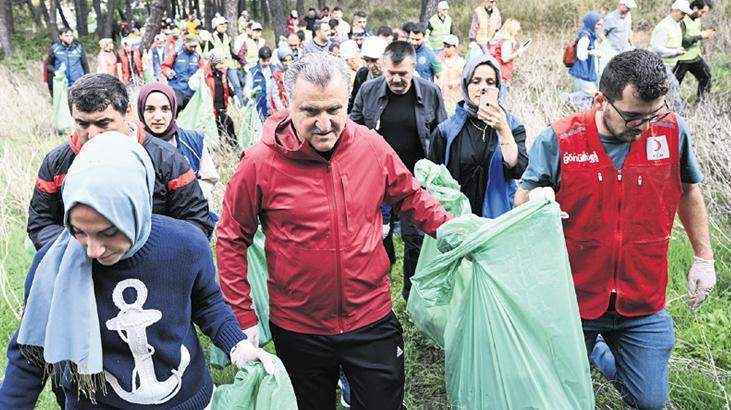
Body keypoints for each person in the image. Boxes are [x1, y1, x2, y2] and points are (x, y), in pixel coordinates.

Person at [216, 51, 450, 410]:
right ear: (289, 102)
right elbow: (232, 237)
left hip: (370, 317)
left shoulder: (371, 146)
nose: (324, 124)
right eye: (310, 112)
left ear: (348, 103)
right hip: (299, 327)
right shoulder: (260, 164)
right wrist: (243, 316)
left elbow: (410, 196)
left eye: (334, 110)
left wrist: (453, 232)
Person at [0, 133, 272, 408]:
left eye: (108, 232)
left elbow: (209, 304)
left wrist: (238, 346)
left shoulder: (186, 245)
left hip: (186, 402)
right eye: (79, 231)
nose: (93, 250)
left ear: (136, 210)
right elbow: (29, 355)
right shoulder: (53, 265)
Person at [515, 49, 715, 410]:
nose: (647, 126)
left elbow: (688, 189)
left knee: (651, 402)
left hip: (642, 298)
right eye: (635, 117)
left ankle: (603, 354)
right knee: (557, 396)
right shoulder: (561, 139)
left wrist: (704, 257)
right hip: (574, 298)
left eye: (655, 113)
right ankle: (589, 348)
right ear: (600, 100)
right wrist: (536, 199)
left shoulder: (670, 130)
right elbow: (522, 198)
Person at [27, 74, 214, 251]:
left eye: (103, 123)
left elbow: (197, 223)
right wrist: (81, 250)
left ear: (127, 112)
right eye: (82, 124)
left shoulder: (167, 159)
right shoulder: (57, 163)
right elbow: (41, 224)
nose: (92, 135)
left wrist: (147, 252)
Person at [350, 41, 448, 302]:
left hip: (413, 181)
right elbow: (352, 130)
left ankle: (411, 295)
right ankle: (379, 288)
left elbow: (442, 136)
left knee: (414, 238)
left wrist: (439, 177)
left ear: (413, 68)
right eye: (390, 73)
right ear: (383, 68)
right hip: (374, 179)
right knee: (375, 238)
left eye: (402, 74)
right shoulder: (368, 91)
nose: (395, 79)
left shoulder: (430, 93)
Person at [429, 54, 527, 217]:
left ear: (498, 87)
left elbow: (518, 170)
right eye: (476, 81)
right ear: (466, 84)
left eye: (490, 82)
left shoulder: (512, 126)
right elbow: (433, 182)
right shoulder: (446, 131)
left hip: (498, 220)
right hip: (457, 221)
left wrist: (503, 129)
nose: (482, 87)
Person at [137, 83, 220, 201]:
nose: (158, 117)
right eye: (150, 109)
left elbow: (209, 179)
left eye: (165, 109)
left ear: (174, 110)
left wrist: (190, 196)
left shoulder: (193, 141)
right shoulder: (134, 145)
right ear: (141, 111)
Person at [650, 0, 693, 111]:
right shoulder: (664, 26)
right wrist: (675, 52)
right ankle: (680, 115)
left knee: (663, 91)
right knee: (674, 86)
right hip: (660, 63)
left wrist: (677, 49)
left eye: (685, 14)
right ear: (675, 10)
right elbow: (657, 48)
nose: (684, 16)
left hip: (670, 64)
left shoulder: (676, 24)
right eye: (682, 13)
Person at [193, 52, 238, 146]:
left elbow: (227, 87)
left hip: (222, 106)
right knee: (227, 123)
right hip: (212, 108)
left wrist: (234, 96)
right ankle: (232, 146)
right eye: (220, 63)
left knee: (221, 127)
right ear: (214, 64)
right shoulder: (207, 76)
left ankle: (226, 146)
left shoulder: (222, 74)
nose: (223, 66)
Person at [674, 0, 715, 99]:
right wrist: (700, 36)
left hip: (695, 57)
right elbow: (681, 41)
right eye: (702, 12)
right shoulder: (682, 20)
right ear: (695, 8)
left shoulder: (697, 18)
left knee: (706, 77)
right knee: (674, 85)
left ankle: (702, 103)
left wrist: (706, 34)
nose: (703, 15)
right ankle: (672, 107)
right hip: (681, 59)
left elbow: (694, 33)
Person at [564, 12, 604, 110]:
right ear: (591, 23)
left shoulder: (590, 34)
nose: (599, 27)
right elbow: (581, 55)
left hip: (586, 69)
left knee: (587, 96)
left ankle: (583, 111)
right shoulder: (585, 36)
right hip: (583, 69)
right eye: (598, 24)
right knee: (592, 93)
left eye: (601, 25)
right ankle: (569, 98)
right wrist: (593, 52)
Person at [207, 16, 245, 108]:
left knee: (236, 85)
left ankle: (239, 106)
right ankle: (220, 107)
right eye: (222, 24)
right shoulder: (212, 38)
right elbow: (210, 54)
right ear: (216, 26)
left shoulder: (227, 37)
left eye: (225, 24)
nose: (224, 26)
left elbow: (230, 51)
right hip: (219, 67)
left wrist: (239, 59)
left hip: (230, 64)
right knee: (221, 87)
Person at [161, 35, 204, 111]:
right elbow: (165, 66)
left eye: (195, 46)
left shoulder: (197, 56)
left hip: (191, 90)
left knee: (190, 112)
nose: (193, 48)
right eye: (191, 46)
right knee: (177, 106)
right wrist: (168, 72)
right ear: (185, 43)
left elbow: (202, 69)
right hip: (177, 87)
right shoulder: (176, 53)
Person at [45, 27, 90, 97]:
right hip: (62, 84)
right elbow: (48, 65)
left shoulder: (78, 48)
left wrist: (87, 80)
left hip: (77, 83)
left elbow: (85, 65)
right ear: (60, 37)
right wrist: (55, 72)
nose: (69, 38)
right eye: (66, 36)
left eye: (71, 36)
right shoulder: (55, 48)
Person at [349, 36, 387, 113]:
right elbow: (354, 104)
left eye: (374, 60)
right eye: (367, 61)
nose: (370, 66)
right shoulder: (362, 74)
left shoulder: (395, 77)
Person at [489, 19, 528, 92]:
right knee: (499, 100)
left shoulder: (504, 40)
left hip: (499, 74)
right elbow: (505, 58)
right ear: (512, 29)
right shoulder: (506, 41)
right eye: (516, 30)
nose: (517, 32)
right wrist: (518, 52)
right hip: (501, 75)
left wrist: (518, 51)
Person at [244, 47, 275, 121]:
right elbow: (247, 89)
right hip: (258, 107)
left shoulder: (274, 70)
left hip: (272, 107)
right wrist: (251, 95)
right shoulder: (253, 72)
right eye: (264, 61)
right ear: (259, 58)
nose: (266, 63)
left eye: (268, 60)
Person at [436, 34, 465, 114]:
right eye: (444, 46)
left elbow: (464, 78)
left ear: (455, 48)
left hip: (455, 98)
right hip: (441, 97)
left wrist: (456, 82)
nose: (445, 49)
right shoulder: (439, 61)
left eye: (448, 47)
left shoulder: (461, 62)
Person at [270, 47, 293, 113]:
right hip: (281, 106)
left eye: (290, 60)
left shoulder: (294, 72)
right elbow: (275, 94)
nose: (288, 63)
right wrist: (282, 109)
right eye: (285, 60)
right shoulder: (276, 75)